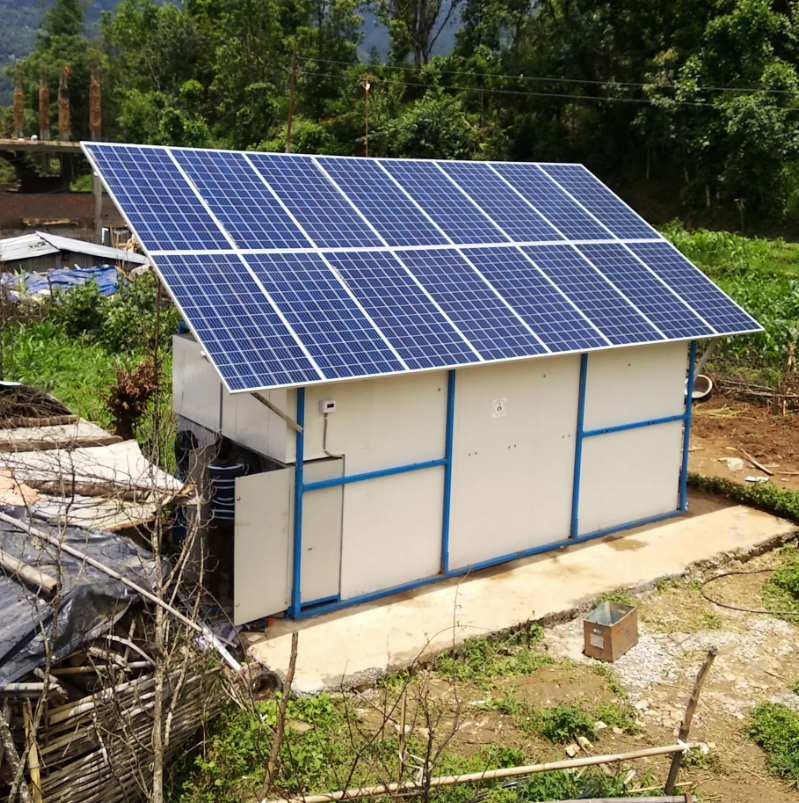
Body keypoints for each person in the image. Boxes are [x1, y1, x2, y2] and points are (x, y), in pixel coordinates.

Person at [207, 437, 251, 600]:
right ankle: (233, 591)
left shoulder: (210, 468)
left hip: (215, 518)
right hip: (233, 519)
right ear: (231, 453)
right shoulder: (239, 469)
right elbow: (254, 470)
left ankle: (213, 591)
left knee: (214, 555)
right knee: (234, 555)